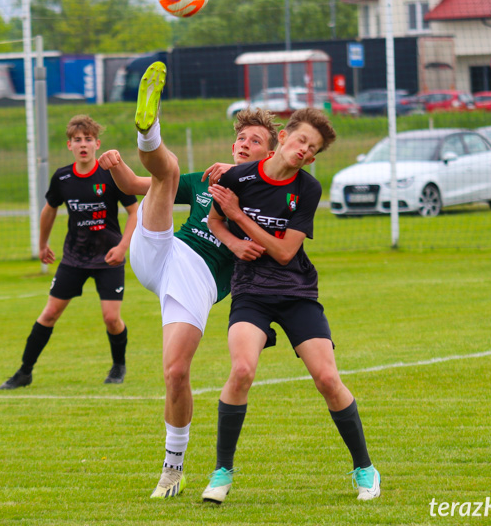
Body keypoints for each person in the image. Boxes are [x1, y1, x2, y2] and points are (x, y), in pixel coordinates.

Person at [98, 62, 274, 499]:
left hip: (198, 281)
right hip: (162, 253)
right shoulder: (207, 179)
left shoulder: (269, 196)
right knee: (168, 171)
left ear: (269, 153)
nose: (245, 144)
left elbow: (270, 248)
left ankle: (172, 469)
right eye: (241, 138)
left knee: (176, 373)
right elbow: (140, 183)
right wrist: (116, 165)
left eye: (256, 141)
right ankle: (148, 128)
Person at [202, 107, 381, 504]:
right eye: (300, 140)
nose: (304, 150)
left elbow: (284, 252)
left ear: (314, 158)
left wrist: (239, 217)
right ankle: (221, 473)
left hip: (296, 291)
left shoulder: (309, 189)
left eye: (312, 148)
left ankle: (365, 469)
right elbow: (216, 221)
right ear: (283, 138)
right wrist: (232, 241)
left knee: (328, 380)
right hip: (250, 291)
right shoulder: (237, 177)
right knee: (243, 369)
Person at [0, 115, 139, 389]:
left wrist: (123, 247)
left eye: (88, 139)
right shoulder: (62, 177)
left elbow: (135, 212)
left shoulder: (111, 175)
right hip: (74, 258)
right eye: (78, 140)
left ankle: (118, 366)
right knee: (49, 313)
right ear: (69, 145)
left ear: (97, 144)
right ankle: (24, 372)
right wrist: (42, 244)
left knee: (111, 318)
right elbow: (49, 209)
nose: (83, 145)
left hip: (109, 257)